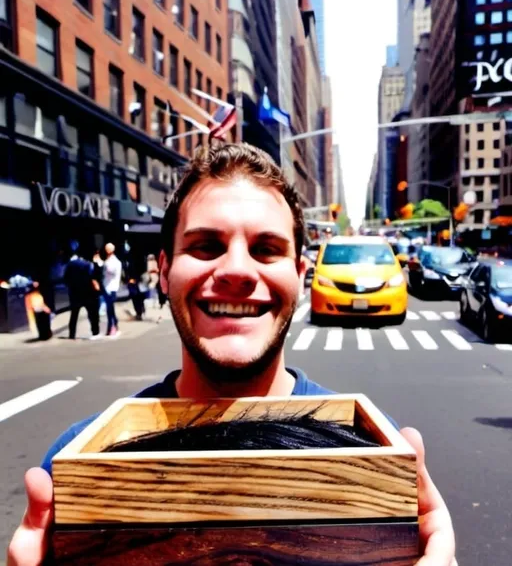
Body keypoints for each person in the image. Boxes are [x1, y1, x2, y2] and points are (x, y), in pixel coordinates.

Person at [6, 144, 457, 566]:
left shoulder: (377, 449)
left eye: (265, 249)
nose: (237, 270)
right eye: (206, 246)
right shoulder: (72, 464)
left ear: (300, 275)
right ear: (163, 272)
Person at [63, 244, 100, 340]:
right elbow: (93, 277)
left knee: (74, 315)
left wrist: (71, 286)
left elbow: (66, 278)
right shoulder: (88, 265)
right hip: (88, 293)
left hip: (75, 293)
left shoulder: (70, 264)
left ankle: (72, 334)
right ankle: (95, 332)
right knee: (92, 314)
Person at [102, 242, 122, 337]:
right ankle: (114, 325)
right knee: (109, 309)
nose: (107, 251)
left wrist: (102, 265)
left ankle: (111, 327)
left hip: (111, 287)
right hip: (106, 286)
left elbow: (111, 272)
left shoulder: (115, 262)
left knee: (110, 309)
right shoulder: (108, 260)